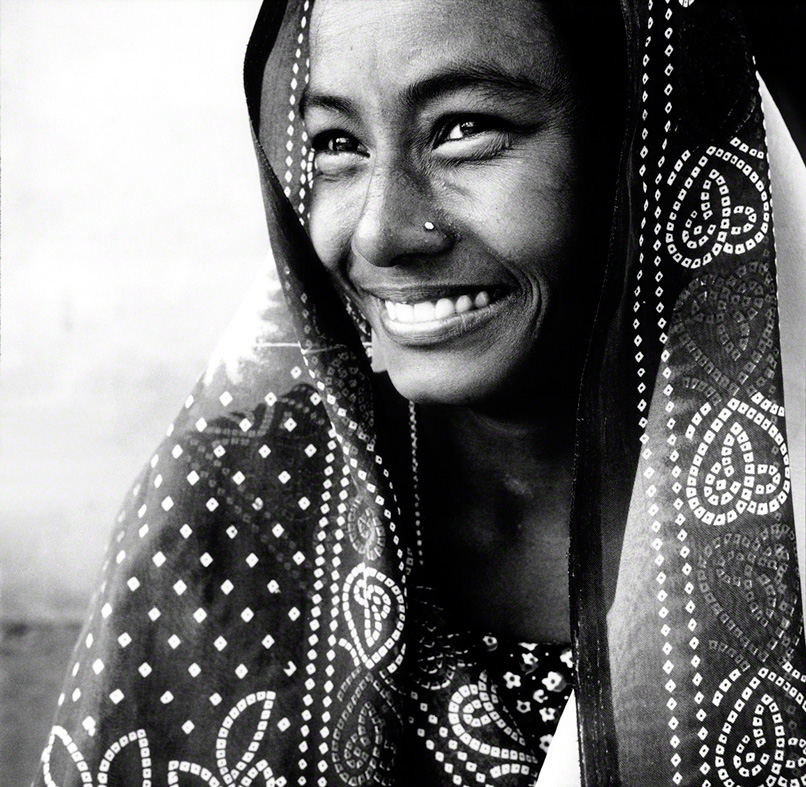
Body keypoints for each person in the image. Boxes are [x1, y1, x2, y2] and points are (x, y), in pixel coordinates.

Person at [37, 1, 806, 785]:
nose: (379, 232)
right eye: (337, 144)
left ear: (643, 140)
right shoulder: (230, 511)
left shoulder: (785, 531)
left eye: (464, 129)